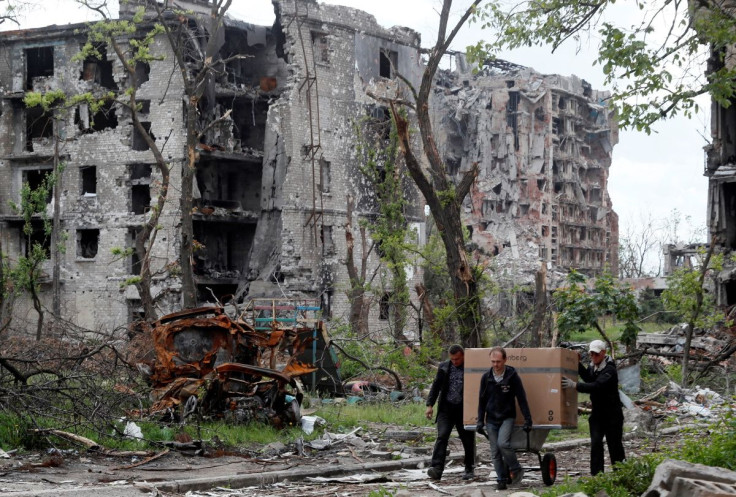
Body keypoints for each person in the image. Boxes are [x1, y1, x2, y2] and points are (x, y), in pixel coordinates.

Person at [561, 339, 625, 475]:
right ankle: (597, 476)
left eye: (596, 354)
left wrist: (575, 385)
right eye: (591, 354)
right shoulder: (593, 366)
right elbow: (589, 378)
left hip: (612, 415)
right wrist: (577, 364)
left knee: (615, 446)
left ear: (603, 353)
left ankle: (622, 474)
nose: (593, 357)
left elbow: (597, 386)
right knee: (596, 444)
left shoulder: (610, 370)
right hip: (597, 414)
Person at [477, 346, 533, 490]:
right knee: (495, 451)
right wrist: (479, 420)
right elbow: (481, 401)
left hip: (507, 417)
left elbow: (521, 398)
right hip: (491, 419)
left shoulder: (512, 376)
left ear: (505, 360)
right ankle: (501, 479)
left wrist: (528, 419)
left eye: (498, 362)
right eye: (493, 362)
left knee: (503, 443)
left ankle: (516, 469)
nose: (495, 365)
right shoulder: (486, 377)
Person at [425, 344, 475, 481]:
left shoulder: (471, 368)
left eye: (457, 359)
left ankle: (469, 468)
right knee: (442, 436)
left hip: (463, 409)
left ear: (463, 356)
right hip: (446, 408)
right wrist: (430, 405)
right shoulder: (444, 367)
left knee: (467, 439)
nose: (455, 362)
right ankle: (436, 468)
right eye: (452, 359)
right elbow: (436, 386)